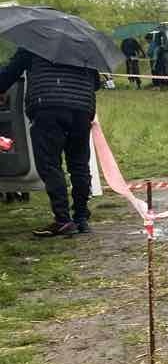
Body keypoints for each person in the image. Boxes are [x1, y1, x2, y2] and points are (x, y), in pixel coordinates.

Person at [0, 46, 100, 237]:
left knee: (50, 164)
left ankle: (63, 220)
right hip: (82, 109)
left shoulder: (32, 43)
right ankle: (81, 218)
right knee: (79, 165)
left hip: (48, 107)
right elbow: (96, 84)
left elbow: (8, 75)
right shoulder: (84, 47)